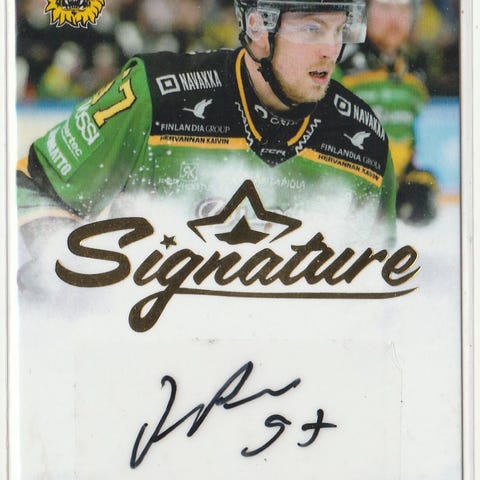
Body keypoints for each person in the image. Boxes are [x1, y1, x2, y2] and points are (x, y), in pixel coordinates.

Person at [17, 0, 396, 252]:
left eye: (339, 30)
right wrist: (59, 264)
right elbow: (30, 185)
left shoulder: (365, 144)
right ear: (258, 28)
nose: (331, 50)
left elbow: (380, 288)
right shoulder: (154, 94)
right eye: (312, 29)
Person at [336, 0, 438, 225]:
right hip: (342, 203)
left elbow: (405, 139)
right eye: (384, 7)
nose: (395, 18)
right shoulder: (336, 61)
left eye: (403, 8)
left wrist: (413, 180)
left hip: (383, 215)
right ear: (363, 12)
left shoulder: (416, 70)